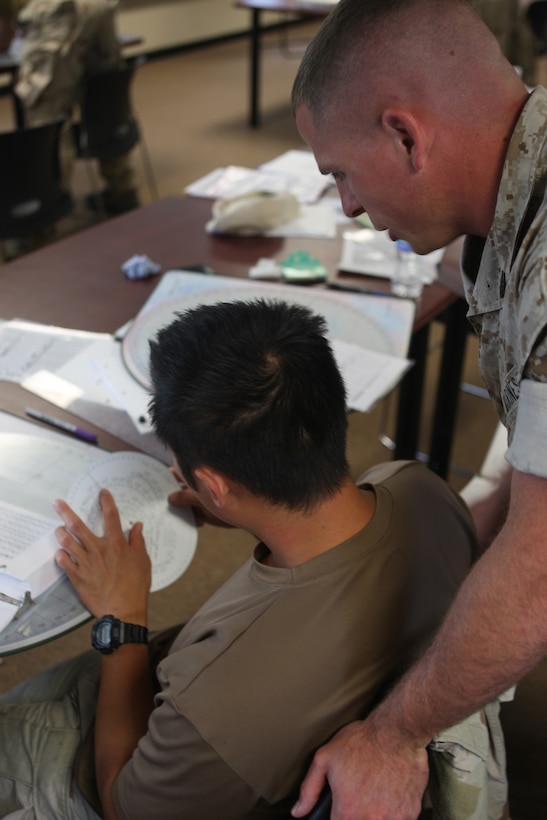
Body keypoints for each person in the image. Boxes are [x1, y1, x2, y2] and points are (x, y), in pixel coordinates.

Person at [0, 298, 497, 819]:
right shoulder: (420, 489)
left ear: (213, 484)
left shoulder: (223, 699)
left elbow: (123, 806)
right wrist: (238, 508)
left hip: (140, 771)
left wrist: (122, 624)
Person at [290, 1, 547, 818]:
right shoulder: (511, 204)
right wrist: (464, 552)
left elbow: (540, 575)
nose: (348, 208)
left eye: (339, 172)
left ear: (405, 135)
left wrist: (391, 736)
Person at [0, 0, 139, 216]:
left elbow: (4, 36)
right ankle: (122, 191)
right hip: (96, 5)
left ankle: (43, 214)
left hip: (56, 9)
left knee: (50, 118)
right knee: (104, 96)